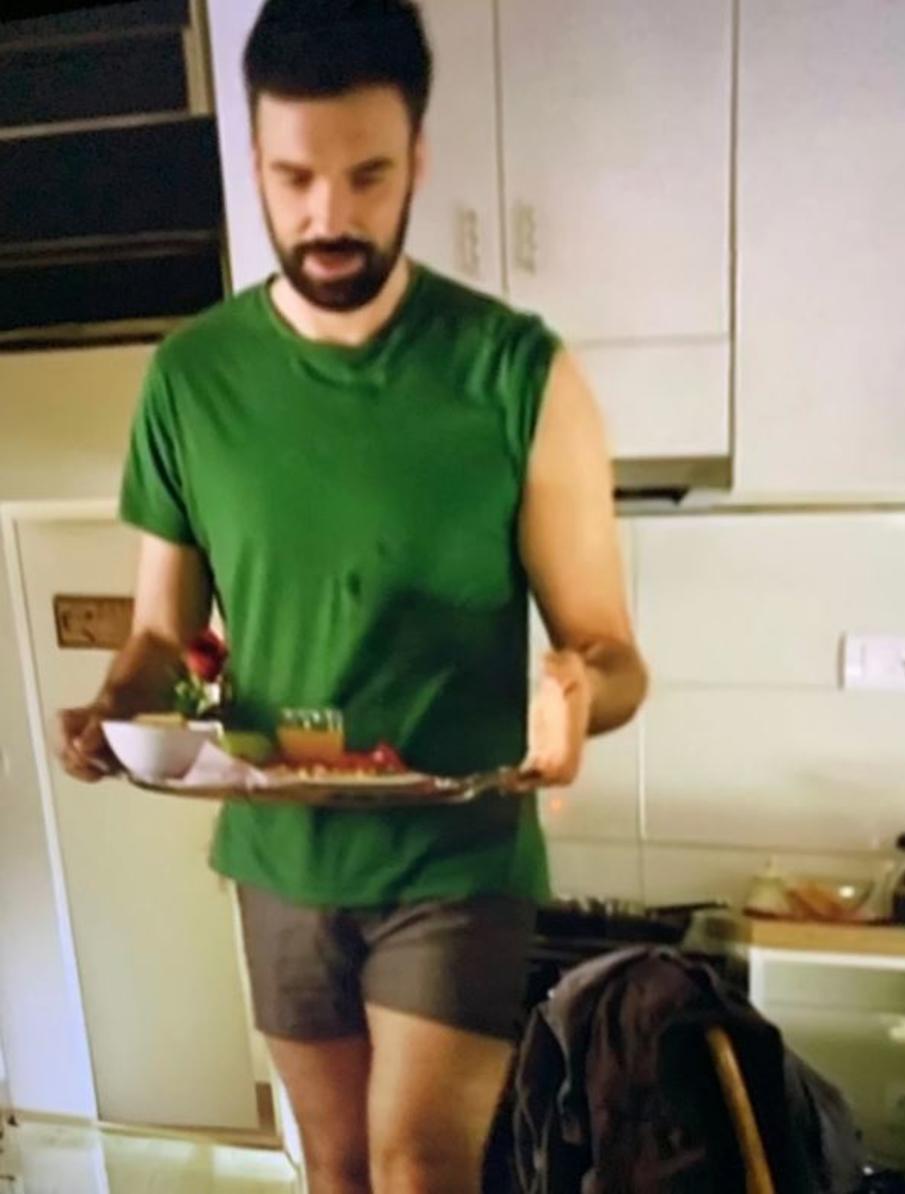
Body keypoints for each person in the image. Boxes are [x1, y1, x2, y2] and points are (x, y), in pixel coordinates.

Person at [57, 1, 647, 1190]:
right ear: (256, 164)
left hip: (456, 852)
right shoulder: (192, 378)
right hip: (278, 846)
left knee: (417, 1167)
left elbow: (611, 652)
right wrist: (117, 708)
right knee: (334, 1170)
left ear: (416, 159)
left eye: (367, 175)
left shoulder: (518, 372)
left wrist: (579, 691)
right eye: (294, 178)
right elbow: (165, 634)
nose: (328, 215)